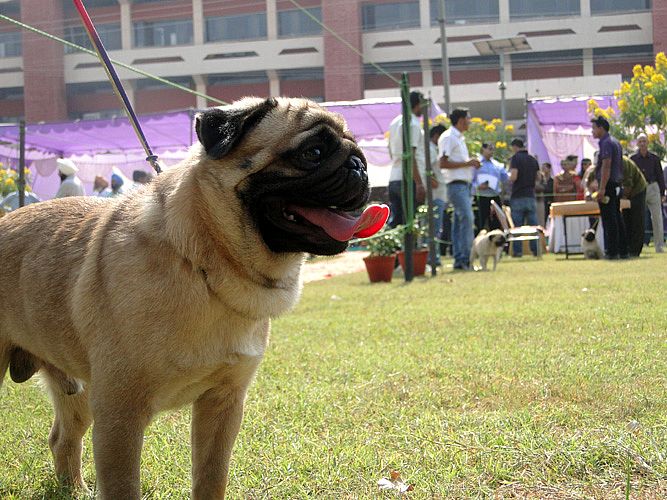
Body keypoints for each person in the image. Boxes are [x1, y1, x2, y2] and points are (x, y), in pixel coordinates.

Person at [438, 108, 481, 270]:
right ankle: (465, 259)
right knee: (467, 220)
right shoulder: (449, 137)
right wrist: (468, 163)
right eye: (468, 118)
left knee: (459, 223)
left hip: (462, 185)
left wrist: (468, 163)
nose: (470, 121)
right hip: (456, 185)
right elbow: (443, 163)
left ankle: (460, 260)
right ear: (461, 120)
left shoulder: (458, 138)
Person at [387, 91, 426, 228]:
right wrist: (419, 183)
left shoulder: (394, 122)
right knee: (410, 225)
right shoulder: (414, 124)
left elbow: (390, 150)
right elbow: (411, 156)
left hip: (394, 177)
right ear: (418, 104)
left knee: (396, 223)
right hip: (409, 180)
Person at [591, 116, 627, 259]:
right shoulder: (615, 142)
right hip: (616, 184)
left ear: (601, 128)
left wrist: (602, 188)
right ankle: (622, 250)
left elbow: (606, 166)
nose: (592, 131)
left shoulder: (606, 143)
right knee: (617, 218)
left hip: (609, 185)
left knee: (609, 219)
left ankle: (612, 252)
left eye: (594, 128)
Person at [630, 134, 665, 253]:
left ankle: (659, 246)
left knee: (657, 218)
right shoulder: (633, 159)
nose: (642, 143)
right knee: (637, 218)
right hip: (639, 188)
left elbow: (660, 176)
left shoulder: (654, 158)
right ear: (637, 143)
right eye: (640, 141)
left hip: (653, 187)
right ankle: (637, 245)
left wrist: (662, 193)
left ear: (648, 143)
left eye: (644, 141)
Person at [421, 124, 448, 265]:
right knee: (434, 229)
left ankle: (432, 258)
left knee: (435, 228)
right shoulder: (430, 150)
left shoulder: (433, 149)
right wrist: (433, 181)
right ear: (437, 136)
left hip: (438, 194)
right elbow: (426, 168)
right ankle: (432, 259)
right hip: (435, 195)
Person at [508, 138, 539, 257]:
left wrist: (508, 179)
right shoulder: (532, 159)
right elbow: (538, 178)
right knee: (533, 226)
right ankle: (536, 250)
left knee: (517, 226)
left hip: (518, 195)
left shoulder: (516, 158)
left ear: (515, 147)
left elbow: (514, 176)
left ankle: (518, 251)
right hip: (530, 195)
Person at [473, 143, 508, 233]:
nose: (491, 151)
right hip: (481, 196)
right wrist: (478, 186)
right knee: (479, 223)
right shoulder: (476, 164)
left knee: (496, 223)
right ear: (483, 149)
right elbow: (470, 180)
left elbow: (505, 178)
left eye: (492, 149)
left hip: (494, 196)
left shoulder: (497, 165)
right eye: (489, 149)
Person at [621, 156, 648, 257]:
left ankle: (635, 250)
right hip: (625, 191)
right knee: (626, 219)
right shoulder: (608, 162)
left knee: (637, 219)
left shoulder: (624, 162)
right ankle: (627, 248)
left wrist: (623, 198)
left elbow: (628, 184)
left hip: (638, 190)